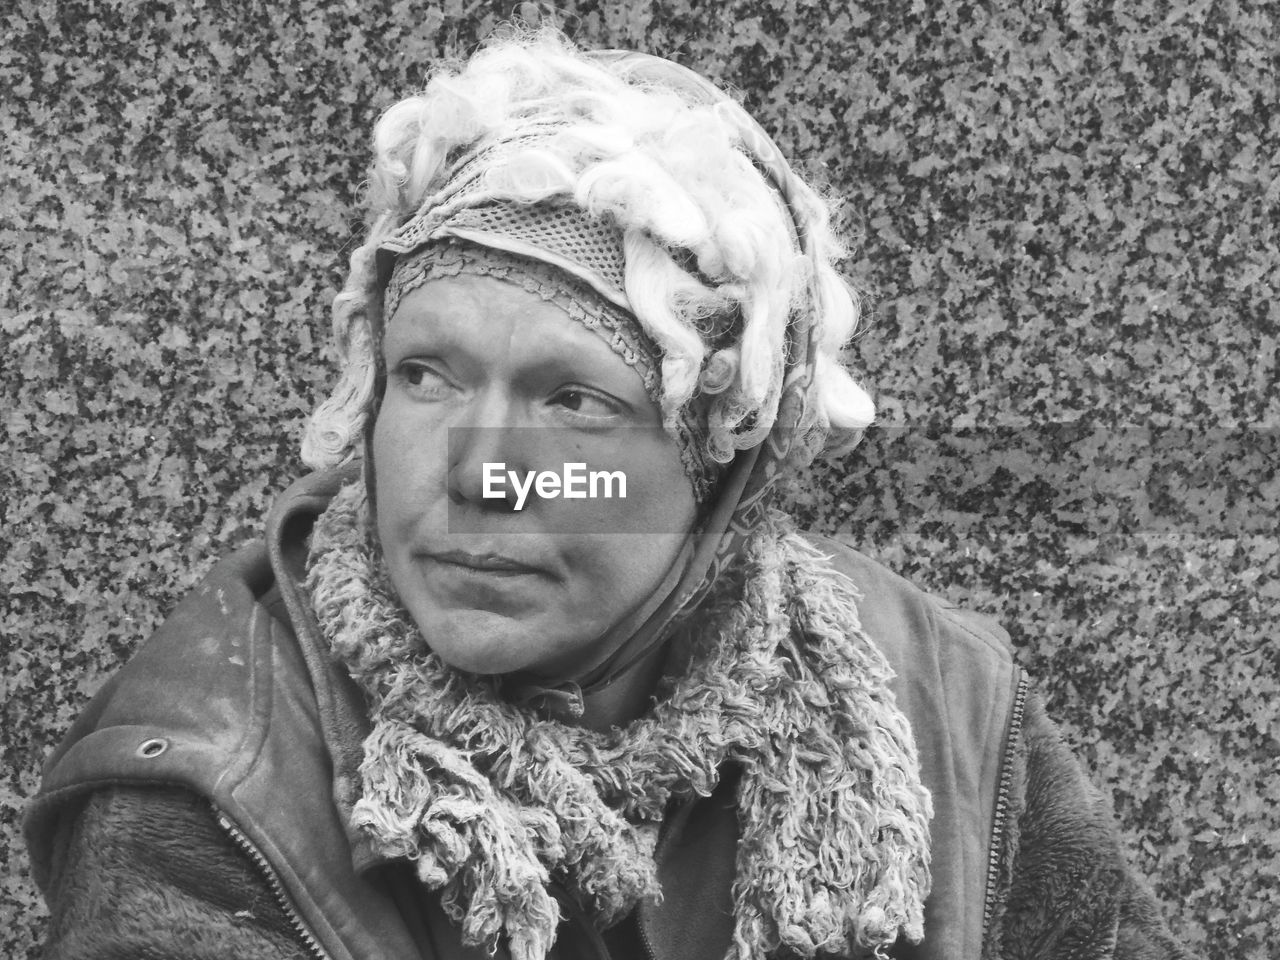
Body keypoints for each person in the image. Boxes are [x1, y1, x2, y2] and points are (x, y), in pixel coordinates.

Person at [25, 27, 1188, 960]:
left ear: (719, 464)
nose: (475, 479)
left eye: (572, 402)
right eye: (425, 376)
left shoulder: (940, 702)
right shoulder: (204, 790)